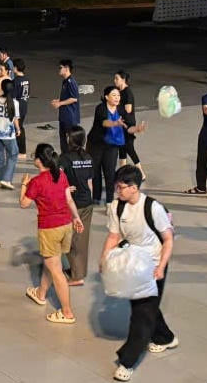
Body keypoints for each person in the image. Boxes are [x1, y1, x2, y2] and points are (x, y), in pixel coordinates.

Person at [102, 165, 176, 381]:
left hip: (153, 264)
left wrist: (161, 267)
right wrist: (104, 259)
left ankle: (127, 362)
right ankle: (165, 337)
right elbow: (113, 236)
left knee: (141, 314)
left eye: (121, 187)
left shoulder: (153, 208)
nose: (118, 191)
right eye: (117, 187)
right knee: (143, 305)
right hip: (132, 263)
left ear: (134, 187)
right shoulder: (117, 207)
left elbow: (168, 239)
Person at [22, 143, 84, 325]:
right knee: (52, 261)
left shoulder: (36, 182)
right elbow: (69, 199)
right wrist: (77, 218)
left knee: (56, 271)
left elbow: (24, 203)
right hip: (66, 225)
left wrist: (24, 186)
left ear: (40, 161)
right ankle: (41, 293)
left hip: (49, 229)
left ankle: (67, 312)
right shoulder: (61, 175)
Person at [59, 126, 95, 287]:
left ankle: (76, 276)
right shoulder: (88, 157)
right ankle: (79, 271)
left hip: (72, 204)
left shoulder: (65, 158)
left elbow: (57, 179)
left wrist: (65, 189)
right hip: (87, 202)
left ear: (70, 140)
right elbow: (90, 182)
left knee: (70, 239)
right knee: (82, 239)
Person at [89, 86, 130, 205]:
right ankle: (96, 198)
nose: (117, 98)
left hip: (112, 145)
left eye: (118, 95)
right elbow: (104, 122)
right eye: (114, 95)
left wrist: (137, 129)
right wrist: (115, 123)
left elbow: (128, 126)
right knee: (95, 171)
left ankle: (109, 200)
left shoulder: (121, 110)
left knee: (110, 172)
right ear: (106, 97)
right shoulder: (100, 108)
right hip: (96, 144)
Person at [0, 78, 22, 189]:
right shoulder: (15, 103)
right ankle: (7, 179)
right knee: (13, 154)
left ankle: (0, 179)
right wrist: (18, 129)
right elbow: (15, 119)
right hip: (8, 134)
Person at [114, 71, 145, 178]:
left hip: (128, 125)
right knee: (122, 148)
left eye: (116, 79)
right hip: (121, 124)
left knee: (129, 148)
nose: (115, 81)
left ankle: (141, 173)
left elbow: (128, 109)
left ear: (123, 80)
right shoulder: (119, 91)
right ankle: (122, 173)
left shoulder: (127, 92)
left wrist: (115, 106)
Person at [51, 59, 80, 153]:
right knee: (63, 139)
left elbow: (74, 98)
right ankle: (64, 156)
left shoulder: (71, 82)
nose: (59, 70)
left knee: (70, 139)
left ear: (67, 68)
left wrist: (60, 103)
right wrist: (59, 100)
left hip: (70, 117)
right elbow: (67, 97)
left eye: (60, 68)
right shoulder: (65, 81)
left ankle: (71, 157)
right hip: (63, 116)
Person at [14, 58, 30, 156]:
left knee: (18, 128)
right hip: (24, 106)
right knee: (20, 127)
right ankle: (21, 150)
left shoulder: (16, 81)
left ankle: (21, 151)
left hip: (17, 108)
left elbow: (13, 96)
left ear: (16, 68)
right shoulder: (26, 79)